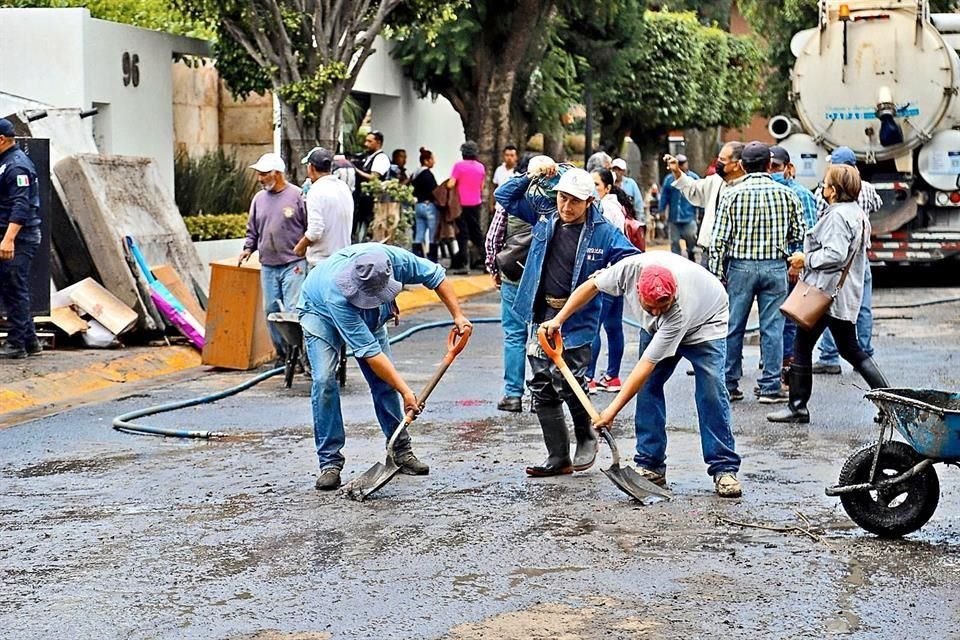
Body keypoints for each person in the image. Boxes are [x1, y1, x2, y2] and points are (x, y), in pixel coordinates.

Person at [541, 252, 743, 498]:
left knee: (711, 389)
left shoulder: (678, 309)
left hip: (706, 320)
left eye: (663, 306)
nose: (656, 312)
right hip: (664, 325)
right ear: (637, 291)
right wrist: (558, 320)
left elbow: (644, 366)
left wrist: (610, 412)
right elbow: (591, 286)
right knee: (649, 388)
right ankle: (650, 463)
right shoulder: (626, 271)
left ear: (673, 295)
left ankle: (724, 468)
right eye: (651, 307)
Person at [495, 161, 639, 477]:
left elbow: (632, 261)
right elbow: (504, 195)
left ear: (590, 202)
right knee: (541, 384)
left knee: (571, 381)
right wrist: (536, 173)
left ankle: (587, 436)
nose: (566, 206)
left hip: (578, 318)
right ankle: (557, 456)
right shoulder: (546, 218)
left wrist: (605, 277)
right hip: (543, 314)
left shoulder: (604, 233)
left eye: (574, 200)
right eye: (562, 198)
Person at [298, 244, 472, 489]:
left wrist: (458, 315)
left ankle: (400, 449)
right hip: (320, 313)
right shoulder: (336, 294)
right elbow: (370, 353)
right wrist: (406, 392)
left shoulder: (396, 260)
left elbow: (436, 276)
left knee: (384, 381)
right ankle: (330, 463)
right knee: (324, 380)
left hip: (372, 316)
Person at [767, 165, 889, 424]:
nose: (822, 188)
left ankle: (798, 408)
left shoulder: (837, 216)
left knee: (805, 345)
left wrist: (805, 259)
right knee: (850, 350)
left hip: (827, 293)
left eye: (825, 184)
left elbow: (835, 255)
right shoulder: (855, 213)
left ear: (834, 191)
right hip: (840, 294)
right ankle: (889, 404)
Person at [708, 141, 806, 403]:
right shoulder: (787, 195)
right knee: (773, 328)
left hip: (740, 267)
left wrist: (717, 273)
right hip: (775, 267)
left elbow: (719, 241)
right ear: (768, 165)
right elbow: (799, 234)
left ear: (741, 165)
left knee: (733, 326)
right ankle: (770, 386)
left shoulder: (731, 195)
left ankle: (729, 383)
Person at [812, 146, 883, 375]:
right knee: (861, 306)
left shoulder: (828, 195)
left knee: (832, 308)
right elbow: (877, 206)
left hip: (835, 264)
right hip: (860, 258)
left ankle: (829, 356)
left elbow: (820, 218)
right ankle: (864, 353)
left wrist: (809, 258)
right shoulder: (868, 189)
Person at [239, 152, 308, 362]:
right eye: (259, 174)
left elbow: (309, 227)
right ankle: (282, 354)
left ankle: (297, 354)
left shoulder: (297, 196)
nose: (260, 178)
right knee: (270, 310)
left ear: (277, 174)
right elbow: (253, 229)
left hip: (293, 263)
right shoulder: (259, 200)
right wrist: (248, 248)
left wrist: (303, 248)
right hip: (268, 265)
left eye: (264, 174)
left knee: (292, 310)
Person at [485, 153, 537, 413]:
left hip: (513, 275)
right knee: (543, 334)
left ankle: (513, 395)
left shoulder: (510, 199)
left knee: (515, 336)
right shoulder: (555, 199)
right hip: (544, 279)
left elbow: (493, 239)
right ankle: (542, 396)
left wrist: (494, 269)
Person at [769, 145, 818, 390]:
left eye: (776, 167)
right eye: (769, 167)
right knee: (774, 323)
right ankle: (777, 367)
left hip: (793, 269)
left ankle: (789, 371)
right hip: (772, 268)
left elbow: (809, 235)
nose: (772, 171)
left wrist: (797, 267)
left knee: (790, 322)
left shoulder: (801, 195)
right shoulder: (766, 193)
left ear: (789, 169)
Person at [0, 118, 42, 359]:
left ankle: (16, 344)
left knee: (15, 288)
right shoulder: (5, 162)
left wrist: (9, 239)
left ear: (2, 139)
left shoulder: (16, 166)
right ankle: (31, 340)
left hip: (19, 237)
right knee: (12, 288)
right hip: (11, 234)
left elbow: (21, 204)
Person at [667, 142, 746, 265]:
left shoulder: (747, 187)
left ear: (737, 165)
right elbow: (694, 189)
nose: (718, 163)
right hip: (708, 253)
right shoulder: (716, 181)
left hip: (735, 257)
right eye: (718, 158)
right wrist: (677, 172)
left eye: (722, 160)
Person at [587, 168, 630, 393]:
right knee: (614, 327)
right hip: (618, 275)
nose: (593, 189)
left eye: (596, 184)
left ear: (607, 187)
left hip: (604, 276)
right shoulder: (617, 207)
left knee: (593, 326)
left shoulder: (603, 209)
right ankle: (612, 376)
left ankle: (589, 377)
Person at [294, 147, 354, 269]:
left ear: (311, 167)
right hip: (343, 260)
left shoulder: (316, 190)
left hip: (322, 263)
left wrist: (300, 247)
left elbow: (315, 231)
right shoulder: (343, 187)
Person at [447, 140, 486, 272]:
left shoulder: (459, 166)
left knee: (462, 234)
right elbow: (482, 186)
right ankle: (487, 260)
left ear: (463, 153)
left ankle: (464, 264)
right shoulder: (481, 167)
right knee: (477, 233)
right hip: (476, 204)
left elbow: (451, 184)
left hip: (461, 205)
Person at [659, 155, 700, 260]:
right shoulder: (669, 179)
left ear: (687, 164)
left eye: (683, 164)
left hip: (689, 215)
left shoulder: (694, 178)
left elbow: (700, 195)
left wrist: (702, 212)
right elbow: (664, 196)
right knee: (674, 241)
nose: (681, 166)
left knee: (691, 237)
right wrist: (662, 210)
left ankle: (691, 253)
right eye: (679, 164)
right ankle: (676, 260)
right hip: (674, 216)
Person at [353, 130, 390, 242]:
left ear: (378, 143)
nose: (366, 144)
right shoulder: (368, 157)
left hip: (374, 201)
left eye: (370, 141)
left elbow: (374, 177)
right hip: (363, 200)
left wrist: (356, 170)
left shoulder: (381, 158)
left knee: (368, 227)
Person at [411, 147, 440, 262]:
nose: (434, 161)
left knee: (419, 233)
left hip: (418, 206)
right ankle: (432, 259)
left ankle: (417, 257)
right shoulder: (428, 174)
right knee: (433, 234)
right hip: (429, 206)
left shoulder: (415, 174)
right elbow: (434, 191)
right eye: (432, 159)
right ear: (426, 160)